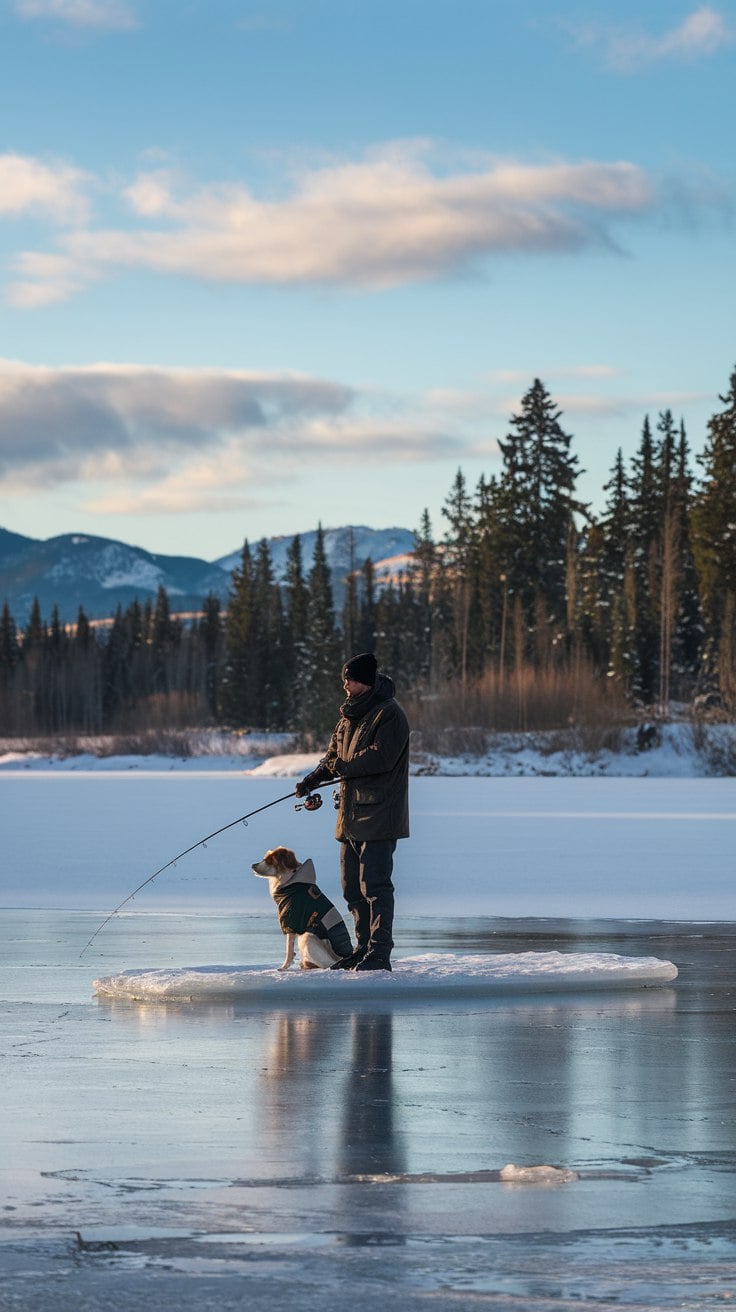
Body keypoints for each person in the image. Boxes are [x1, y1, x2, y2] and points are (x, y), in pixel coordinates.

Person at [295, 652, 410, 972]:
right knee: (350, 888)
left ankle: (380, 952)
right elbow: (332, 756)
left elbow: (379, 758)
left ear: (367, 682)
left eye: (351, 679)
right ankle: (363, 948)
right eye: (344, 679)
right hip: (349, 814)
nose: (345, 684)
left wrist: (340, 767)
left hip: (380, 814)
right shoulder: (348, 716)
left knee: (375, 886)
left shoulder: (389, 714)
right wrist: (312, 780)